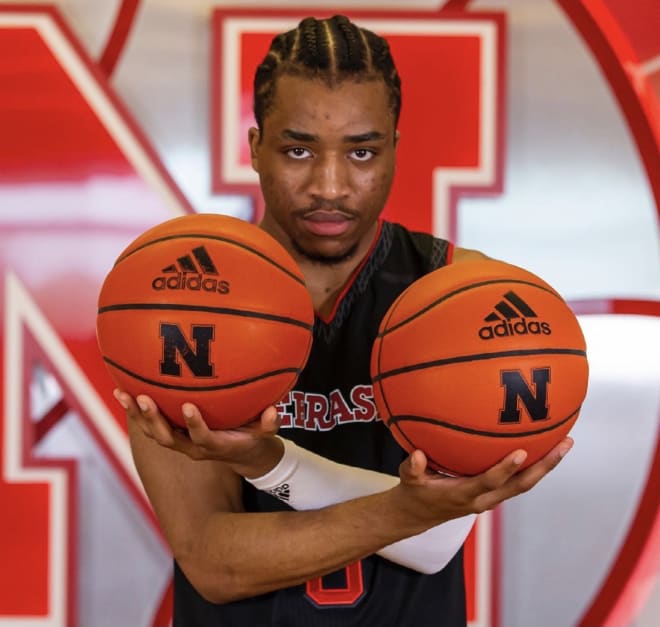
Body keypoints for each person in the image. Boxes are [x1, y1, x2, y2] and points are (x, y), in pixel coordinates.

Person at [114, 14, 573, 627]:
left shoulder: (456, 291)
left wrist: (264, 460)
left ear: (393, 149)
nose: (330, 186)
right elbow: (214, 563)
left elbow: (437, 542)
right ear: (254, 149)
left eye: (361, 152)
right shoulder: (178, 297)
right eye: (298, 149)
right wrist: (410, 509)